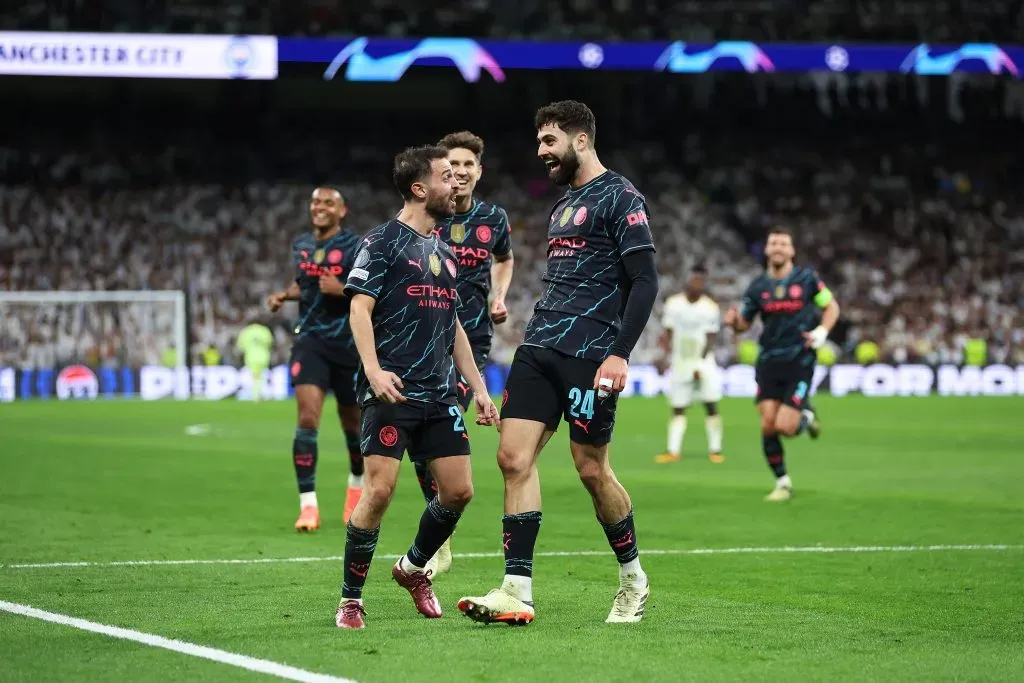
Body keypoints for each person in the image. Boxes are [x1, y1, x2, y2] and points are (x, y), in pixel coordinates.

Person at [458, 100, 659, 626]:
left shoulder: (620, 196)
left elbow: (645, 281)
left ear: (581, 141)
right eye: (540, 141)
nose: (541, 152)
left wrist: (619, 352)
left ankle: (633, 579)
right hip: (540, 345)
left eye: (550, 141)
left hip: (591, 354)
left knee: (592, 468)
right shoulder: (563, 205)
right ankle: (516, 589)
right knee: (511, 458)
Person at [335, 145, 499, 630]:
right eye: (447, 176)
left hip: (439, 394)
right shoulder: (381, 242)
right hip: (392, 391)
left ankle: (411, 569)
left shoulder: (445, 252)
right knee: (380, 491)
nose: (457, 184)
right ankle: (350, 599)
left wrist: (481, 390)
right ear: (420, 188)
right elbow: (358, 309)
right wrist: (373, 370)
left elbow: (456, 329)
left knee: (459, 491)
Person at [412, 130, 515, 576]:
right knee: (420, 447)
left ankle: (438, 540)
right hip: (421, 339)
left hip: (469, 340)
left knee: (441, 425)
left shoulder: (494, 218)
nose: (459, 174)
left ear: (478, 171)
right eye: (451, 167)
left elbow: (505, 258)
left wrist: (499, 294)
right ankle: (441, 527)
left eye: (467, 165)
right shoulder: (427, 217)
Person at [267, 187, 363, 531]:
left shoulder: (355, 247)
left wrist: (343, 289)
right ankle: (308, 506)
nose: (319, 207)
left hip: (349, 345)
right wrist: (285, 295)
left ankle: (355, 487)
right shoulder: (302, 246)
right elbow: (305, 284)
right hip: (310, 342)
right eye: (315, 202)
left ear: (342, 211)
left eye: (328, 203)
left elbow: (370, 289)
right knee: (307, 418)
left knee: (353, 426)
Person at [723, 228, 839, 502]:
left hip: (799, 360)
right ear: (766, 250)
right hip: (768, 363)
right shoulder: (757, 288)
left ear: (791, 251)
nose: (778, 248)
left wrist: (822, 332)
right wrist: (734, 323)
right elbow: (745, 323)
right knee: (767, 425)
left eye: (783, 244)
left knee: (786, 427)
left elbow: (831, 307)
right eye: (773, 243)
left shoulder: (807, 279)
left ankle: (806, 417)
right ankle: (782, 482)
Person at [655, 265, 724, 463]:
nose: (697, 283)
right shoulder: (673, 304)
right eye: (694, 279)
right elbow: (668, 333)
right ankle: (673, 451)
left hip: (703, 361)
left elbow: (711, 338)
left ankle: (715, 450)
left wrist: (699, 365)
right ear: (688, 280)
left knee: (710, 404)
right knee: (677, 406)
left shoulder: (710, 307)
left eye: (700, 281)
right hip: (680, 362)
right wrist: (665, 357)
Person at [235, 319, 274, 402]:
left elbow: (240, 346)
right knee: (261, 376)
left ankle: (256, 396)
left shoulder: (246, 331)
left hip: (251, 357)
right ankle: (261, 394)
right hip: (263, 356)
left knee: (255, 377)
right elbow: (270, 343)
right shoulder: (264, 330)